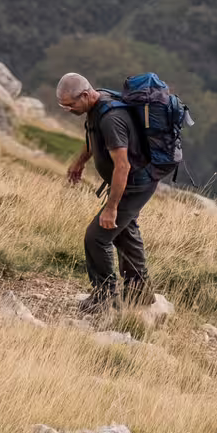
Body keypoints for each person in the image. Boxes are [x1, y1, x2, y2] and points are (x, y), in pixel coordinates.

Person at [58, 71, 154, 312]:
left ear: (85, 94)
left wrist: (111, 208)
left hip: (135, 183)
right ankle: (139, 293)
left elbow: (123, 166)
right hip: (131, 180)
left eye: (70, 105)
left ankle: (105, 298)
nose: (67, 110)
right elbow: (93, 140)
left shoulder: (111, 119)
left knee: (97, 237)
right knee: (124, 231)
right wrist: (79, 162)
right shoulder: (95, 108)